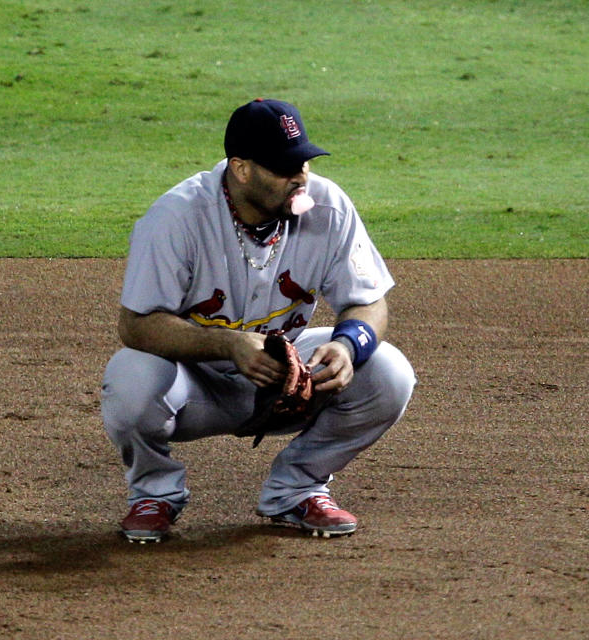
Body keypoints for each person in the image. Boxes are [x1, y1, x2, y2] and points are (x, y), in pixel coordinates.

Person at [100, 98, 416, 542]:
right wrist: (227, 344)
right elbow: (136, 325)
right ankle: (154, 495)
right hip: (194, 385)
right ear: (241, 168)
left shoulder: (329, 207)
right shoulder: (176, 217)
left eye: (303, 162)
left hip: (284, 378)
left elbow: (370, 303)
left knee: (388, 371)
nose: (300, 176)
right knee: (129, 376)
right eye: (284, 167)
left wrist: (347, 346)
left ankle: (298, 487)